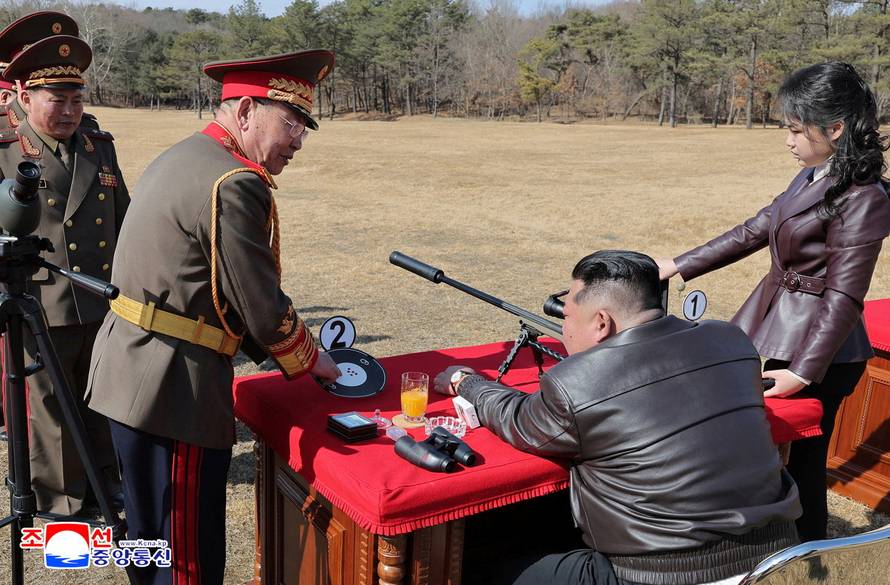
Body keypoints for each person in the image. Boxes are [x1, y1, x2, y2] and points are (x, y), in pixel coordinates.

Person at [86, 50, 341, 585]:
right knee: (186, 557)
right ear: (246, 111)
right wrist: (312, 359)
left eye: (304, 127)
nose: (298, 140)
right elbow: (260, 308)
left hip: (131, 371)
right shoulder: (234, 180)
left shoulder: (185, 154)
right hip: (174, 387)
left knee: (150, 541)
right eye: (290, 122)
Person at [434, 250, 801, 585]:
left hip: (656, 573)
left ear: (601, 322)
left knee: (476, 567)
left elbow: (517, 419)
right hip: (778, 560)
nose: (564, 329)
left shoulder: (577, 382)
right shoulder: (732, 341)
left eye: (567, 316)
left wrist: (467, 382)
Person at [658, 62, 890, 542]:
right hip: (782, 325)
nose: (788, 140)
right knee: (777, 448)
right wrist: (679, 264)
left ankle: (806, 548)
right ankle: (775, 536)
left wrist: (803, 372)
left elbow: (845, 295)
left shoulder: (864, 197)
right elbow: (757, 227)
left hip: (823, 351)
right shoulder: (814, 174)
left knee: (804, 458)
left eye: (796, 130)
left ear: (835, 128)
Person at [0, 34, 127, 515]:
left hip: (98, 294)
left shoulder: (98, 145)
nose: (70, 111)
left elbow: (123, 216)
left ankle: (104, 481)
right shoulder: (4, 147)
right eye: (58, 100)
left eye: (77, 99)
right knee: (51, 404)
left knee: (101, 394)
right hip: (38, 300)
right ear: (25, 95)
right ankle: (62, 500)